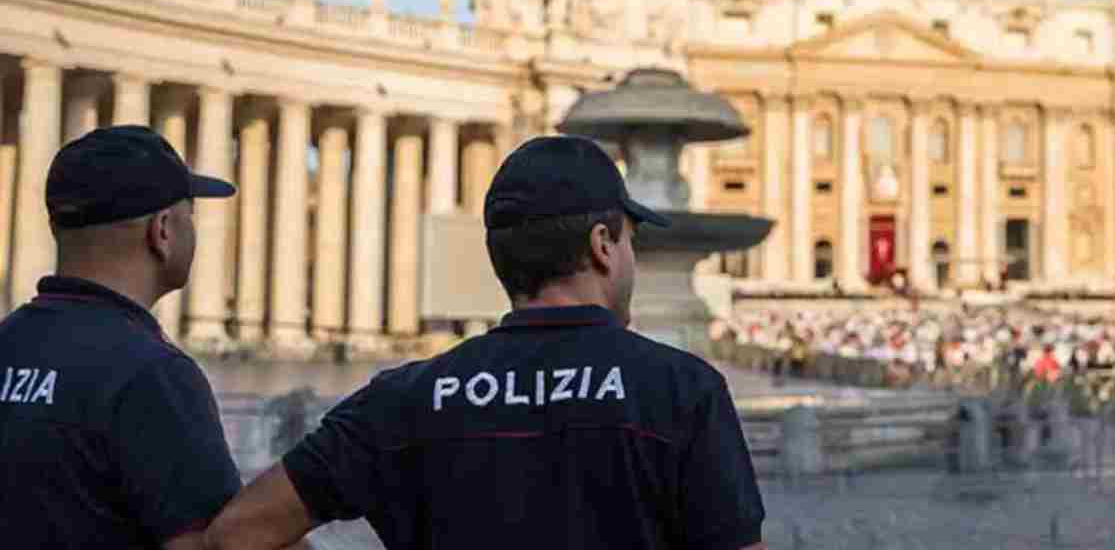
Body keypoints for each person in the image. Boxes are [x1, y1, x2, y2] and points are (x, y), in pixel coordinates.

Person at [206, 135, 767, 550]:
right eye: (631, 243)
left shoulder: (401, 399)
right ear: (603, 245)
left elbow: (236, 534)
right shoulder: (681, 389)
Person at [0, 125, 242, 548]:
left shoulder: (8, 340)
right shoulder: (152, 376)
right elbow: (209, 544)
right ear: (162, 230)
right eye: (191, 215)